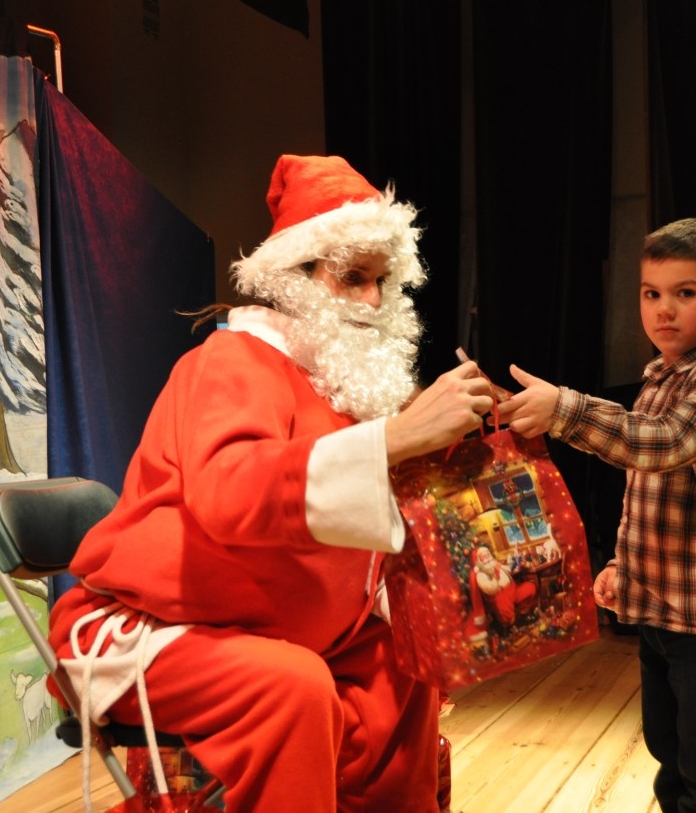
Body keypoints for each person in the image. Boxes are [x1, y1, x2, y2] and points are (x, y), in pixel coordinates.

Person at [45, 154, 495, 812]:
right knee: (294, 688)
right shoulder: (230, 361)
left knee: (403, 663)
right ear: (294, 277)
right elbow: (231, 493)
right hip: (149, 625)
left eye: (380, 280)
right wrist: (396, 438)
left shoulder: (339, 389)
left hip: (278, 626)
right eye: (352, 278)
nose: (372, 300)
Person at [497, 217, 696, 813]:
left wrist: (564, 409)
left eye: (685, 292)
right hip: (661, 609)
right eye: (651, 294)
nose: (663, 309)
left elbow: (664, 443)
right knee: (669, 750)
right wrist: (624, 565)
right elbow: (646, 490)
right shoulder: (658, 378)